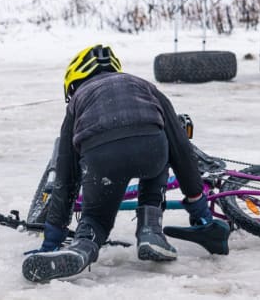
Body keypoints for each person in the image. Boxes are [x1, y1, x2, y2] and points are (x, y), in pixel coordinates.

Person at [22, 45, 230, 283]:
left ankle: (81, 247)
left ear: (74, 81)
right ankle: (150, 231)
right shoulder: (144, 86)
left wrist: (52, 240)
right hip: (150, 148)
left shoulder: (77, 101)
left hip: (102, 156)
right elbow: (181, 149)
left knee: (96, 219)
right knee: (159, 153)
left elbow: (66, 177)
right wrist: (200, 212)